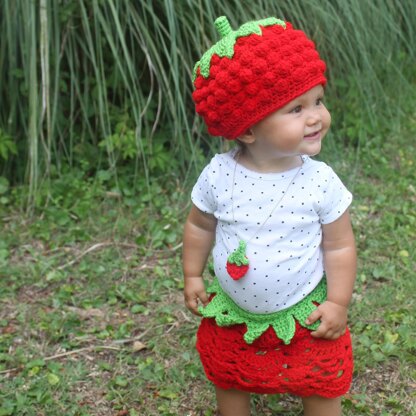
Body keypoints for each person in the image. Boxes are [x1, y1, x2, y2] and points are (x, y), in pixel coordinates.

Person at [183, 16, 356, 416]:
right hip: (234, 312)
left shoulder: (320, 181)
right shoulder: (219, 175)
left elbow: (340, 243)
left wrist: (338, 302)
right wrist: (193, 274)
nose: (316, 116)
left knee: (321, 379)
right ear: (247, 130)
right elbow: (199, 225)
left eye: (318, 101)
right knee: (228, 373)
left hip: (305, 311)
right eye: (296, 108)